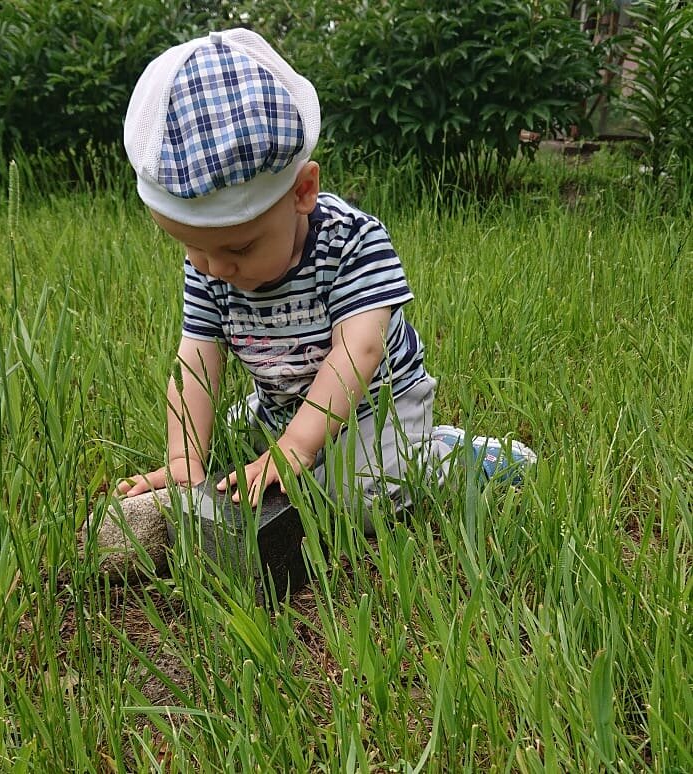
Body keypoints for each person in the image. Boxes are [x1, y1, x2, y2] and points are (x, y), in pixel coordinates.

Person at [116, 28, 536, 531]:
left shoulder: (352, 242)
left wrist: (297, 445)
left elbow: (359, 351)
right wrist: (185, 459)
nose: (215, 269)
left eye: (239, 248)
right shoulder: (211, 264)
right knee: (228, 459)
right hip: (283, 403)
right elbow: (197, 361)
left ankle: (442, 453)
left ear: (303, 192)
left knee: (356, 501)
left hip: (378, 406)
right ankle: (281, 439)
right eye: (192, 247)